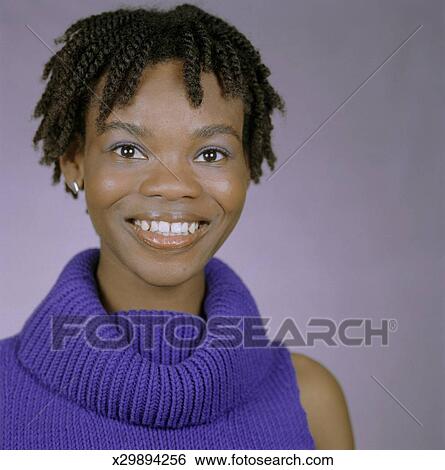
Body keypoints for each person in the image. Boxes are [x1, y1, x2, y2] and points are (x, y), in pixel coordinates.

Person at [0, 3, 354, 450]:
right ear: (74, 161)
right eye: (128, 149)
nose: (171, 186)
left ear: (248, 168)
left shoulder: (312, 401)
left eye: (211, 154)